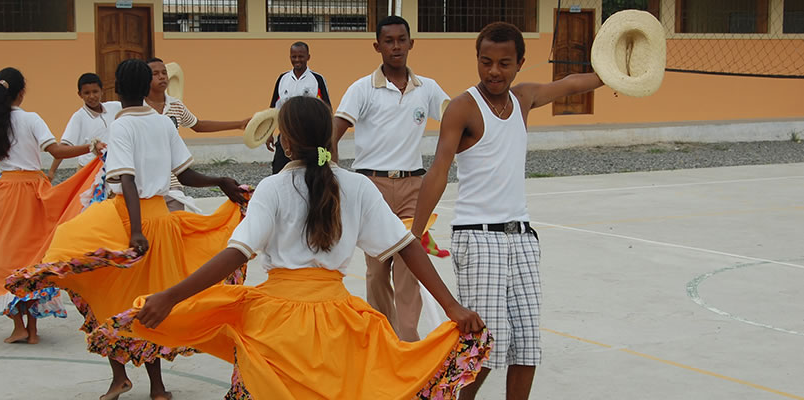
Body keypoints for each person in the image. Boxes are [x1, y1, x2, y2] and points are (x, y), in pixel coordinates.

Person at [90, 96, 493, 399]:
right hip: (339, 324)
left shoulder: (274, 188)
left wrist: (171, 296)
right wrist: (452, 306)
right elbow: (406, 246)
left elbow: (237, 253)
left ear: (283, 139)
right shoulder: (356, 186)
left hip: (275, 325)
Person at [5, 58, 249, 400]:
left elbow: (128, 180)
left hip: (129, 219)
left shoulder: (121, 126)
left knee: (103, 290)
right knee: (150, 305)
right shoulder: (162, 123)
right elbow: (187, 175)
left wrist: (135, 231)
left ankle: (121, 377)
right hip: (162, 221)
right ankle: (157, 387)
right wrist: (219, 181)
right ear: (147, 86)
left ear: (116, 91)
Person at [410, 22, 605, 400]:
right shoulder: (463, 107)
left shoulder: (524, 98)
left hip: (522, 238)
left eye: (504, 63)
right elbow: (439, 169)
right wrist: (414, 233)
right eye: (486, 62)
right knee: (485, 346)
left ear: (520, 63)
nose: (494, 71)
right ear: (478, 60)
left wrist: (611, 76)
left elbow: (570, 84)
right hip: (478, 237)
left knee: (528, 345)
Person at [0, 67, 107, 344]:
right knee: (33, 257)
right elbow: (56, 151)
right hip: (34, 192)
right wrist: (91, 147)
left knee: (8, 258)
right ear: (21, 93)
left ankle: (19, 326)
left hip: (6, 193)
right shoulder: (31, 119)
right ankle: (32, 329)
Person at [331, 15, 450, 341]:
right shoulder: (362, 89)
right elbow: (334, 133)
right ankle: (383, 336)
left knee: (411, 264)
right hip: (373, 188)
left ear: (411, 43)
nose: (396, 46)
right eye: (389, 41)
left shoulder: (428, 89)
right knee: (378, 268)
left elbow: (458, 120)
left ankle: (407, 339)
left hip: (414, 186)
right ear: (377, 46)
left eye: (401, 40)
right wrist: (334, 177)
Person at [144, 57, 250, 212]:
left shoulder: (176, 105)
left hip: (173, 182)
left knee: (174, 228)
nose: (162, 77)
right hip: (148, 183)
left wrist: (239, 124)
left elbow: (198, 125)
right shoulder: (139, 107)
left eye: (164, 73)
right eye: (155, 74)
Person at [264, 41, 331, 174]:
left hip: (309, 137)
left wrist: (328, 138)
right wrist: (268, 133)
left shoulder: (317, 79)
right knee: (279, 171)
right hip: (286, 135)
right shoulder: (283, 79)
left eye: (301, 56)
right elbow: (273, 108)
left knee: (310, 172)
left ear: (308, 57)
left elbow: (326, 109)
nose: (297, 60)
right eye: (294, 57)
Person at [47, 73, 122, 181]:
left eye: (95, 91)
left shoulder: (115, 107)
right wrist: (52, 171)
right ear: (80, 94)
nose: (92, 96)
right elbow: (64, 146)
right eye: (87, 93)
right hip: (88, 171)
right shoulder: (78, 117)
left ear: (102, 90)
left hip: (113, 169)